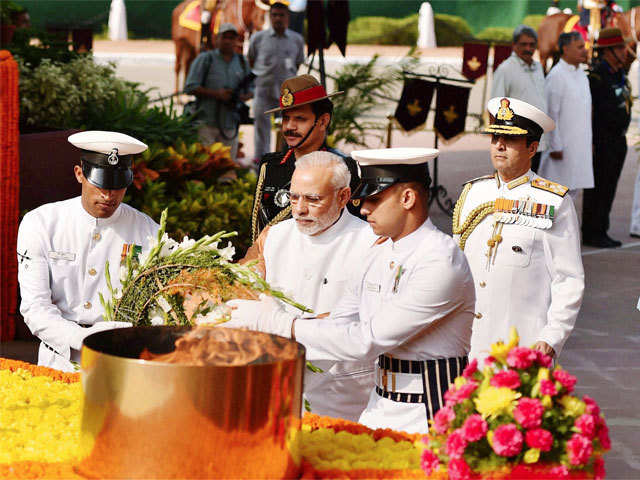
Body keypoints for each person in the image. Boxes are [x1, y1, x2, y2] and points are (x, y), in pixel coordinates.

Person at [227, 148, 476, 434]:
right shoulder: (381, 252)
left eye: (374, 199)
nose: (365, 209)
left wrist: (278, 323)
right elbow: (341, 321)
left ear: (408, 198)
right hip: (379, 405)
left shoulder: (440, 261)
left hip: (429, 410)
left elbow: (366, 339)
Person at [241, 151, 377, 421]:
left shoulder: (371, 243)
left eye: (313, 199)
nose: (299, 209)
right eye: (293, 197)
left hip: (342, 395)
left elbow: (359, 323)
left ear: (343, 196)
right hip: (278, 388)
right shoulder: (274, 236)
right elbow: (245, 288)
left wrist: (275, 322)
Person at [452, 97, 584, 364]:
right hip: (467, 345)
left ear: (532, 148)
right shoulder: (472, 193)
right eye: (495, 138)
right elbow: (455, 265)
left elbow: (568, 278)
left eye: (509, 140)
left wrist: (552, 336)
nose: (499, 145)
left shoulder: (553, 202)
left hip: (522, 344)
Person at [17, 131, 159, 372]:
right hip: (59, 360)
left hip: (121, 359)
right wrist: (82, 339)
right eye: (101, 183)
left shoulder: (148, 231)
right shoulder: (41, 223)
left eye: (117, 185)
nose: (108, 195)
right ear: (79, 174)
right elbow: (35, 307)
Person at [249, 74, 360, 242]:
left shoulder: (343, 169)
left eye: (300, 119)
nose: (289, 127)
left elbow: (350, 230)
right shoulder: (270, 165)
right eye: (286, 118)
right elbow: (257, 224)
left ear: (323, 121)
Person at [582, 27, 632, 248]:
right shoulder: (597, 76)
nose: (624, 51)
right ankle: (593, 231)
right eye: (619, 47)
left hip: (618, 139)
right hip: (602, 140)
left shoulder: (619, 74)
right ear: (608, 51)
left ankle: (602, 228)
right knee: (599, 187)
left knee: (610, 186)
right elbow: (591, 112)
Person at [184, 23, 254, 162]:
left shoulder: (241, 61)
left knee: (227, 168)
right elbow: (190, 87)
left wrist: (240, 97)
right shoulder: (205, 59)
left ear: (236, 40)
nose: (228, 41)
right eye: (224, 37)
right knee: (205, 167)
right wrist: (217, 94)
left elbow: (251, 90)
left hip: (230, 124)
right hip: (206, 123)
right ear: (216, 39)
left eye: (231, 38)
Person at [539, 32, 593, 202]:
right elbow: (550, 114)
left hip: (579, 148)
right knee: (553, 198)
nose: (585, 51)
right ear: (565, 49)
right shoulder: (556, 76)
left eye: (584, 47)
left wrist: (589, 142)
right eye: (579, 47)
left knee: (572, 196)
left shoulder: (582, 75)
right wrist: (555, 145)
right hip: (560, 150)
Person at [249, 0, 305, 162]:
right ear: (269, 16)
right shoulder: (258, 39)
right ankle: (262, 164)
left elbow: (297, 63)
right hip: (263, 91)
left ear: (288, 17)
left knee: (290, 129)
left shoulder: (297, 40)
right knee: (261, 130)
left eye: (281, 15)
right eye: (274, 15)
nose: (278, 19)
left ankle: (285, 163)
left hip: (287, 95)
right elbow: (251, 61)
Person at [491, 25, 547, 173]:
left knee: (532, 184)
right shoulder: (505, 69)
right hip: (515, 142)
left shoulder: (538, 67)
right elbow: (494, 108)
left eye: (532, 45)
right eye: (523, 44)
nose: (528, 48)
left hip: (537, 140)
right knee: (513, 184)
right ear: (514, 45)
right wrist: (498, 142)